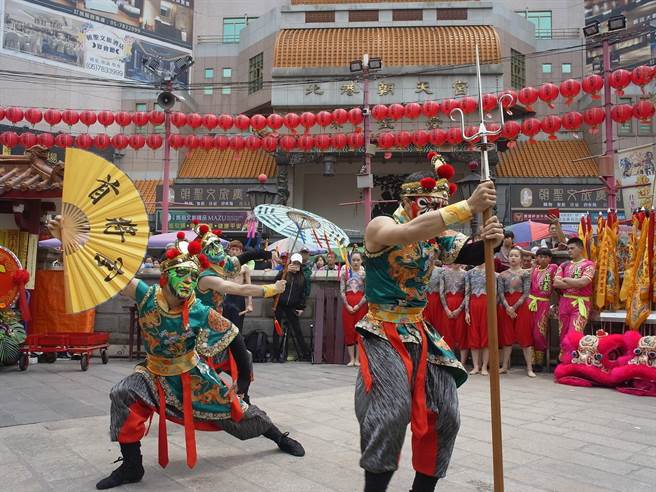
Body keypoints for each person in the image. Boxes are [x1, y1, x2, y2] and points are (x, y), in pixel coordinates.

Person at [47, 219, 304, 491]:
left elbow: (233, 335)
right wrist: (71, 241)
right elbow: (110, 268)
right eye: (183, 275)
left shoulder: (200, 311)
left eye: (193, 278)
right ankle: (132, 465)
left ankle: (278, 437)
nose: (188, 283)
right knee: (122, 393)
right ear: (166, 276)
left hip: (191, 376)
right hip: (153, 372)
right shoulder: (145, 296)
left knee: (238, 413)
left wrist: (241, 384)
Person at [355, 152, 503, 492]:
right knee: (391, 413)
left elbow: (468, 254)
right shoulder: (380, 226)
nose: (435, 210)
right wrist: (468, 206)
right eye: (428, 203)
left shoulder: (437, 237)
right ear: (408, 200)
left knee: (447, 414)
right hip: (381, 329)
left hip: (421, 329)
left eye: (440, 204)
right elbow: (408, 233)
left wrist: (490, 242)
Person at [553, 237, 596, 358]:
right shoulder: (564, 265)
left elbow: (583, 282)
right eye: (568, 249)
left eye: (572, 248)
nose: (569, 251)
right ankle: (564, 361)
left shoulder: (589, 264)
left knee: (575, 332)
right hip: (564, 301)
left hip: (581, 303)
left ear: (581, 248)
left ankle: (574, 361)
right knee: (563, 333)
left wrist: (566, 280)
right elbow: (556, 283)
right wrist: (573, 282)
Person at [497, 247, 534, 377]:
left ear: (520, 259)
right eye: (511, 255)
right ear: (508, 257)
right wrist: (508, 307)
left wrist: (515, 307)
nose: (513, 258)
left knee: (525, 336)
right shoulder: (502, 275)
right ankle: (504, 366)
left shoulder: (525, 274)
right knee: (507, 336)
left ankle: (529, 368)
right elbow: (500, 293)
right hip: (506, 306)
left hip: (522, 306)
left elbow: (526, 293)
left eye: (516, 256)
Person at [273, 253, 310, 362]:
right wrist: (285, 271)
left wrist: (301, 307)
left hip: (292, 306)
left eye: (298, 263)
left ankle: (305, 353)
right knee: (276, 329)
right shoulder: (285, 273)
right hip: (280, 304)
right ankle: (275, 354)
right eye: (294, 263)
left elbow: (304, 294)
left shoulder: (302, 277)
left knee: (297, 329)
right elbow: (275, 283)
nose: (295, 265)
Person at [529, 248, 558, 368]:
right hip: (531, 302)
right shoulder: (533, 270)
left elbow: (557, 288)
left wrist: (556, 305)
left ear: (550, 259)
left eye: (546, 257)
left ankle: (539, 361)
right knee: (529, 331)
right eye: (540, 256)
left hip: (544, 304)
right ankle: (531, 360)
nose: (543, 259)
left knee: (539, 332)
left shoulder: (553, 268)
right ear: (536, 258)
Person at [464, 263, 493, 375]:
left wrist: (492, 310)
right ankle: (476, 366)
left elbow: (494, 293)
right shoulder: (470, 273)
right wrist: (467, 311)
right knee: (473, 336)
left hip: (487, 304)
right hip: (473, 304)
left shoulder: (491, 271)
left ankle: (485, 366)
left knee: (486, 336)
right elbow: (467, 292)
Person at [340, 251, 367, 366]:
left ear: (361, 261)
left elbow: (367, 292)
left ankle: (358, 359)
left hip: (361, 304)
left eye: (358, 260)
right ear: (350, 260)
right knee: (349, 330)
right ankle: (351, 359)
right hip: (348, 304)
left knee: (359, 331)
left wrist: (358, 305)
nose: (355, 262)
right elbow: (342, 291)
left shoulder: (365, 274)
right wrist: (347, 305)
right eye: (353, 260)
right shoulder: (345, 273)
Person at [438, 263, 467, 365]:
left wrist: (459, 309)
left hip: (461, 306)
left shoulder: (466, 274)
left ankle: (462, 363)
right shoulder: (444, 274)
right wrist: (446, 308)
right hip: (447, 305)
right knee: (447, 333)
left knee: (461, 332)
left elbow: (467, 293)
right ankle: (451, 361)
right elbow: (441, 292)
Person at [222, 240, 253, 330]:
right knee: (224, 327)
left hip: (238, 298)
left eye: (237, 249)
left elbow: (249, 286)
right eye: (232, 249)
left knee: (237, 327)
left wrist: (250, 304)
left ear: (241, 251)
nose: (234, 251)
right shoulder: (224, 265)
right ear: (229, 251)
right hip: (226, 297)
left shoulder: (245, 267)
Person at [423, 260, 444, 331]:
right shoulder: (441, 270)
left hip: (432, 297)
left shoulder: (441, 271)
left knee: (433, 318)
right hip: (428, 297)